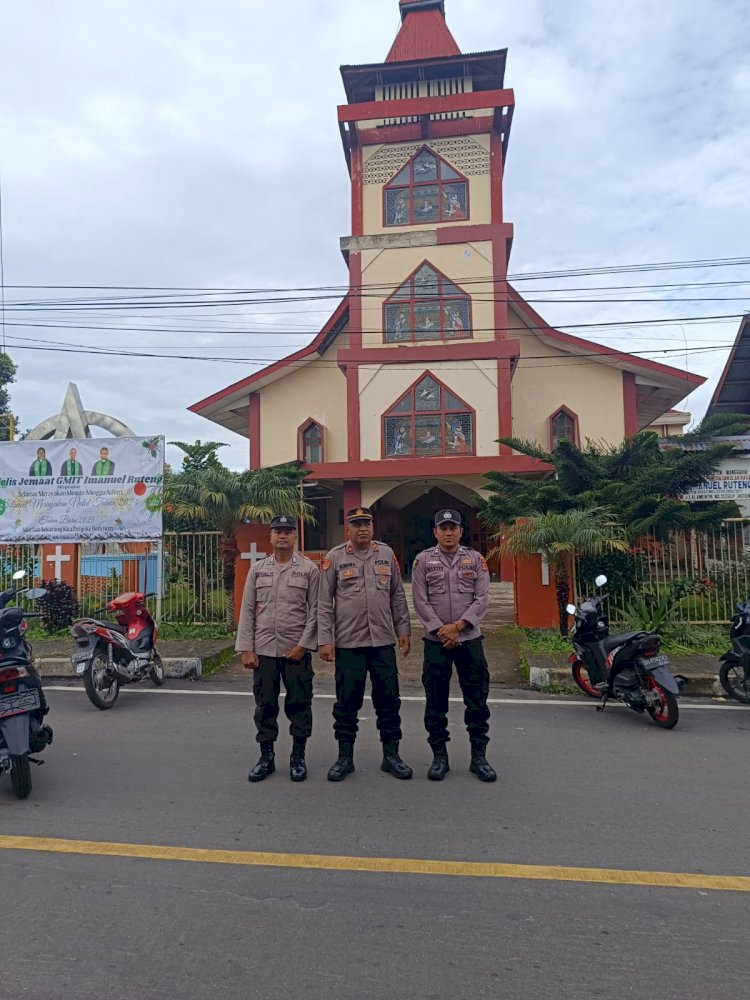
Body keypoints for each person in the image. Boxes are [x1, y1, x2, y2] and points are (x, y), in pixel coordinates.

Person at [318, 507, 412, 782]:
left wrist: (402, 629)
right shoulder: (334, 557)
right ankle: (344, 758)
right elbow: (324, 603)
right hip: (348, 644)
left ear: (373, 527)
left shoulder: (386, 554)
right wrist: (325, 640)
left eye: (367, 524)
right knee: (347, 704)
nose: (362, 528)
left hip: (382, 641)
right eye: (357, 524)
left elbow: (397, 595)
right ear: (348, 529)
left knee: (389, 702)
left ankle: (391, 756)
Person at [411, 509, 496, 782]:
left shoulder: (476, 559)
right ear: (435, 532)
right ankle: (439, 757)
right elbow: (420, 600)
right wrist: (441, 629)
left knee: (477, 700)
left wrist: (458, 627)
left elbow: (482, 599)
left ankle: (479, 757)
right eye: (443, 528)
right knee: (436, 700)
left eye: (453, 527)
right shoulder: (423, 560)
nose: (448, 532)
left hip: (469, 640)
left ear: (461, 531)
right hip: (436, 642)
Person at [235, 515, 319, 783]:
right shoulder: (258, 569)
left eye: (288, 531)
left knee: (299, 704)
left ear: (295, 537)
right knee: (265, 706)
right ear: (271, 537)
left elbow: (316, 611)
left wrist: (304, 645)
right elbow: (247, 610)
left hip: (295, 651)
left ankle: (297, 757)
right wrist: (246, 648)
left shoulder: (308, 569)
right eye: (277, 531)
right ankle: (266, 757)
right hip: (263, 652)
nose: (282, 536)